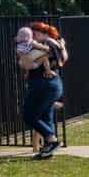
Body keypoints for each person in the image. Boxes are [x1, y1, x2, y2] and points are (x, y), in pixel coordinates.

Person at [14, 23, 66, 159]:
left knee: (29, 116)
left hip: (42, 86)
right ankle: (47, 151)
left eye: (34, 32)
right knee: (45, 117)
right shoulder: (57, 45)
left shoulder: (43, 45)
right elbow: (63, 59)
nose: (32, 36)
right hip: (53, 84)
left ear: (42, 33)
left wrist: (24, 58)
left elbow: (24, 62)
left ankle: (52, 140)